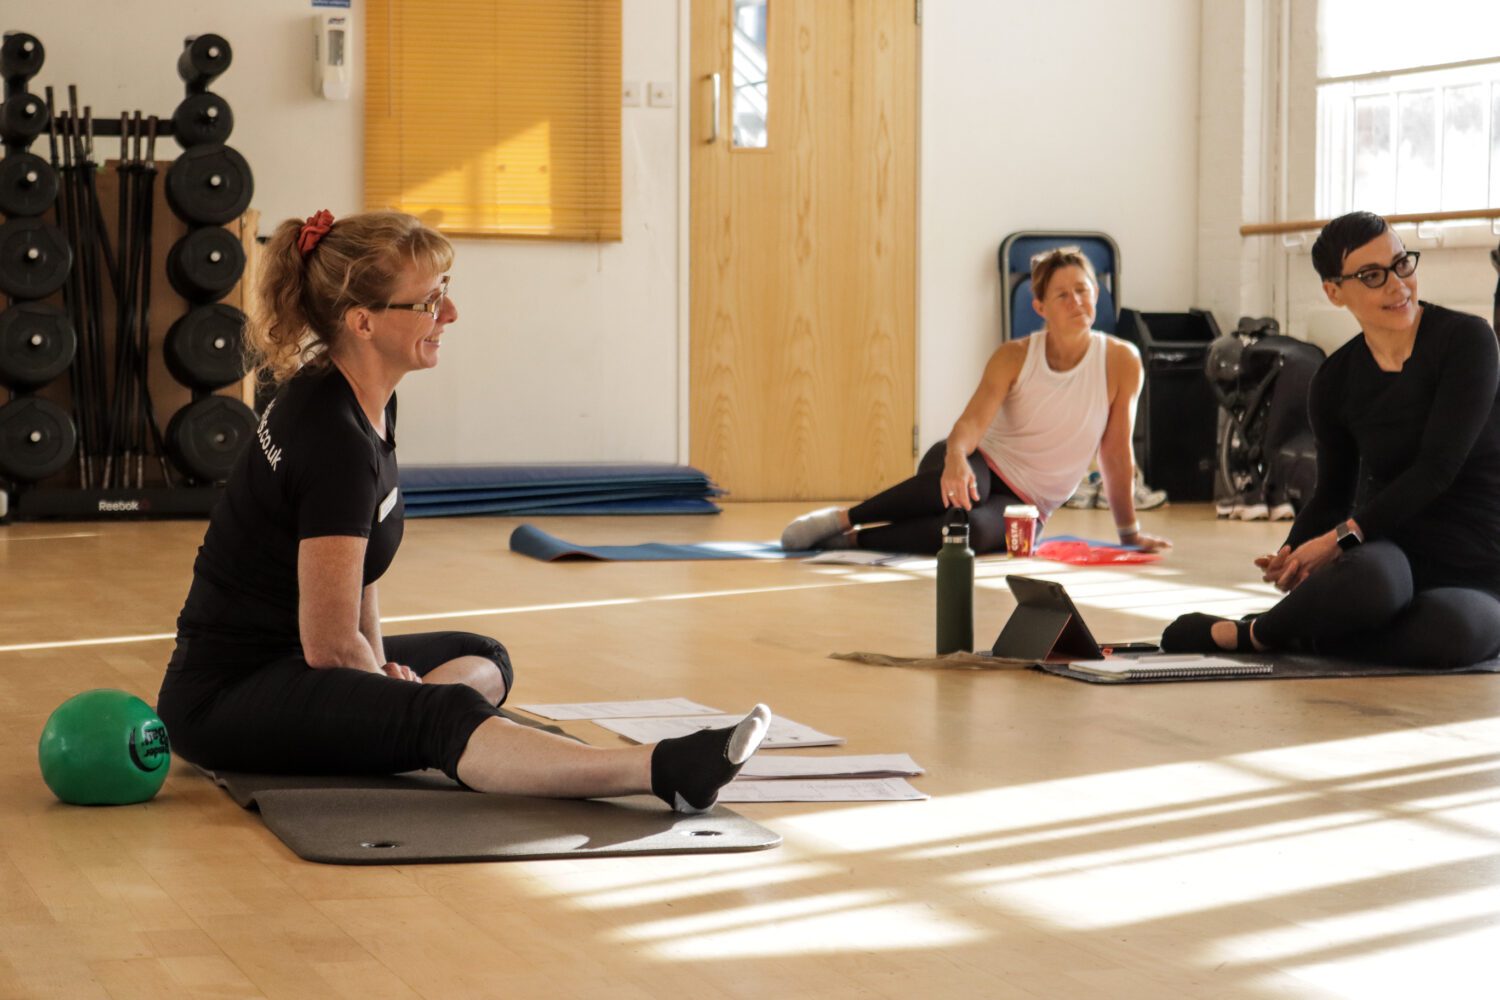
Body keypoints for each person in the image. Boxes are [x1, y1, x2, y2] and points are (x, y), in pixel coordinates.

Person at [156, 210, 770, 812]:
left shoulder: (358, 397)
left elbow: (357, 575)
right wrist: (381, 693)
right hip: (227, 699)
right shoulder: (332, 436)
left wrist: (378, 683)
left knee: (485, 659)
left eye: (443, 294)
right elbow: (329, 645)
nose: (448, 314)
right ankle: (660, 771)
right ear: (363, 321)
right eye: (427, 302)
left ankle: (406, 730)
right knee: (442, 710)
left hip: (291, 667)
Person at [1162, 210, 1500, 666]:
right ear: (1334, 291)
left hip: (1480, 566)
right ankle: (1284, 626)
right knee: (1373, 584)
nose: (1398, 285)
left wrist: (1340, 539)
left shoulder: (1467, 341)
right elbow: (1333, 493)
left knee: (1455, 634)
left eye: (1402, 264)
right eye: (1373, 275)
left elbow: (1436, 469)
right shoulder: (1334, 379)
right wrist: (1294, 552)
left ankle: (1269, 634)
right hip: (1389, 552)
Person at [780, 247, 1172, 555]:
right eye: (1062, 295)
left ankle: (851, 544)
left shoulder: (1121, 361)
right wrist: (955, 458)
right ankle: (843, 520)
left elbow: (1116, 454)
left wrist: (1128, 533)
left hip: (1029, 503)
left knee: (962, 531)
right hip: (980, 462)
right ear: (1041, 307)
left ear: (1096, 293)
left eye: (1082, 291)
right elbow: (971, 424)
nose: (1076, 302)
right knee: (963, 493)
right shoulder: (1014, 356)